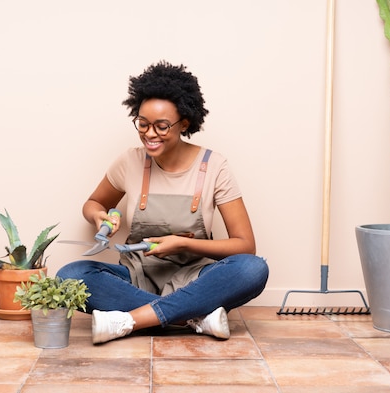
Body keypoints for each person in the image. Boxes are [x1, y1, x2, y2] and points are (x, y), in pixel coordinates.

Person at [57, 61, 269, 344]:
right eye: (142, 124)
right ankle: (193, 317)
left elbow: (245, 245)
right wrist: (99, 217)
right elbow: (94, 202)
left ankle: (133, 320)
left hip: (196, 278)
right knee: (70, 275)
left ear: (184, 123)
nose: (149, 134)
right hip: (136, 277)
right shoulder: (129, 161)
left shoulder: (214, 165)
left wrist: (183, 243)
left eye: (161, 126)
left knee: (252, 268)